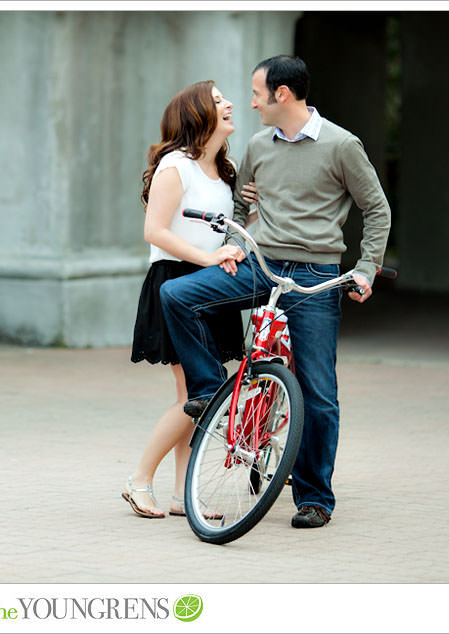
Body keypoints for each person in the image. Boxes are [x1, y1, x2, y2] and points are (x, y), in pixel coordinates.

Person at [160, 56, 391, 528]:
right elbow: (244, 202)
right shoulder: (259, 144)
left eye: (256, 93)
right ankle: (209, 391)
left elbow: (377, 209)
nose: (250, 102)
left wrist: (366, 268)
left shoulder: (342, 145)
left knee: (319, 391)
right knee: (178, 296)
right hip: (260, 264)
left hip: (313, 275)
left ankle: (314, 498)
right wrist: (236, 240)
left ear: (282, 94)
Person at [123, 80, 249, 518]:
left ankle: (182, 494)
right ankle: (140, 479)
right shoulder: (176, 166)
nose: (229, 103)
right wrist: (209, 258)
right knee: (195, 392)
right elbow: (154, 231)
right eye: (217, 101)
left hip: (211, 283)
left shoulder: (222, 171)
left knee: (193, 391)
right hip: (176, 282)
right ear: (197, 115)